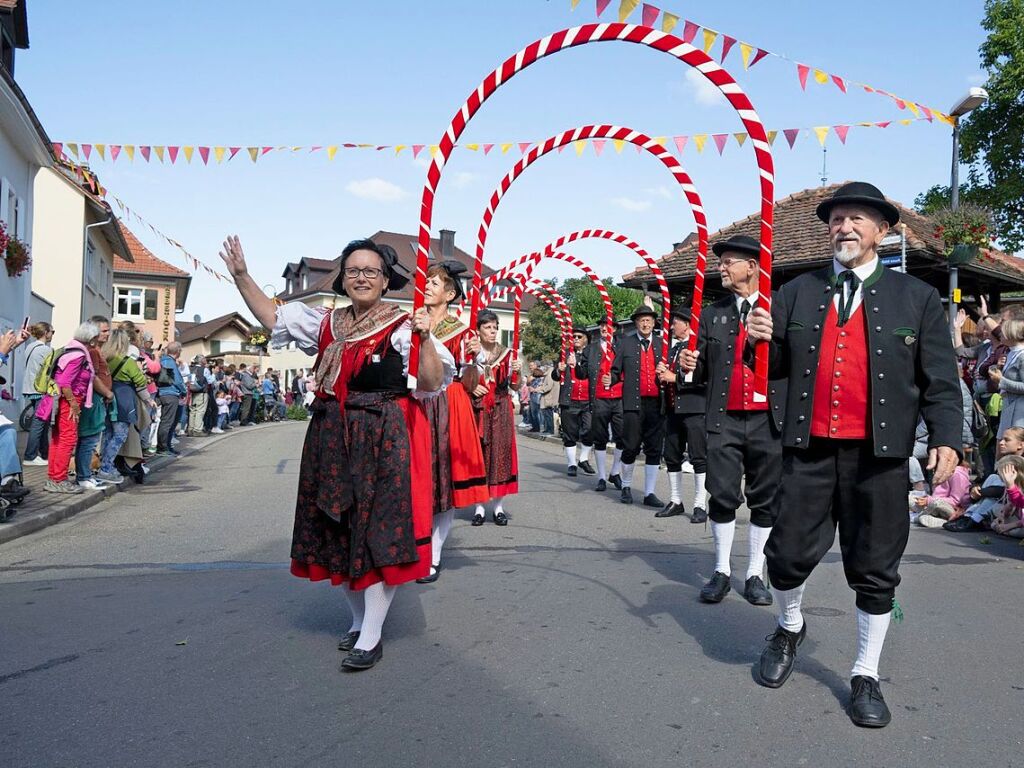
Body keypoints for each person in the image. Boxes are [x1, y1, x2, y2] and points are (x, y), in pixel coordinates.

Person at [744, 181, 962, 728]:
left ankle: (865, 671)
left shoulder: (917, 298)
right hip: (808, 449)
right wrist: (756, 339)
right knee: (786, 556)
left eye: (857, 219)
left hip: (879, 457)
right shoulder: (795, 291)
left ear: (882, 231)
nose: (844, 227)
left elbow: (940, 380)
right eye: (837, 218)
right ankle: (790, 625)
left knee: (875, 566)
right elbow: (771, 372)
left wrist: (946, 439)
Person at [220, 234, 453, 671]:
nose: (361, 277)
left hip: (383, 437)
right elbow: (273, 317)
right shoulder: (326, 324)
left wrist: (425, 337)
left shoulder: (405, 327)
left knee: (378, 533)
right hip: (330, 435)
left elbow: (429, 383)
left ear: (386, 281)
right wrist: (242, 277)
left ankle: (371, 634)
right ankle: (360, 619)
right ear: (343, 281)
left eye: (370, 271)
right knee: (338, 529)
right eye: (353, 271)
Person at [679, 234, 785, 607]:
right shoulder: (713, 313)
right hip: (723, 416)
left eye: (728, 262)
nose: (721, 268)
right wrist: (688, 365)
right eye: (720, 262)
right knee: (721, 494)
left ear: (752, 267)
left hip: (767, 419)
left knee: (765, 498)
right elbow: (703, 369)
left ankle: (755, 571)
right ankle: (722, 569)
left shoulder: (779, 307)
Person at [415, 260, 489, 583]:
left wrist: (476, 357)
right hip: (416, 403)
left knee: (443, 482)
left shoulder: (461, 331)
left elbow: (472, 381)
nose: (428, 286)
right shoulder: (412, 322)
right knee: (417, 478)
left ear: (449, 293)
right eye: (427, 281)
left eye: (435, 283)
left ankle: (434, 554)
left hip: (448, 405)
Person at [607, 305, 667, 507]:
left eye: (649, 320)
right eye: (642, 320)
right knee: (631, 446)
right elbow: (616, 370)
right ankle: (625, 486)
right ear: (636, 323)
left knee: (654, 449)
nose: (645, 323)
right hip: (633, 403)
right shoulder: (626, 344)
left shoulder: (661, 344)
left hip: (657, 403)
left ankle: (649, 493)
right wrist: (611, 378)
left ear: (654, 323)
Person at [34, 322, 101, 494]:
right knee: (67, 439)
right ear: (91, 339)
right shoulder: (79, 355)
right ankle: (59, 479)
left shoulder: (70, 350)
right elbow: (64, 382)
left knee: (58, 439)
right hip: (68, 401)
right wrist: (73, 404)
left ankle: (54, 477)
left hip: (61, 400)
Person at [655, 308, 708, 522]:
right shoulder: (672, 349)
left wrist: (673, 377)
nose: (671, 326)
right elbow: (666, 378)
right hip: (672, 409)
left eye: (675, 322)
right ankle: (676, 500)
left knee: (698, 457)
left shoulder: (699, 347)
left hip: (695, 409)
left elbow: (702, 379)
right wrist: (661, 374)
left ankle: (699, 504)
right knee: (671, 455)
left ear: (686, 324)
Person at [471, 309, 520, 526]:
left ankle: (498, 508)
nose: (493, 332)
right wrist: (471, 387)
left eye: (495, 328)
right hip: (477, 408)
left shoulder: (508, 354)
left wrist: (518, 372)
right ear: (478, 330)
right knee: (479, 456)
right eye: (488, 327)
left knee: (500, 456)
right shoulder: (471, 353)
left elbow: (515, 386)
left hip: (501, 408)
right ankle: (479, 508)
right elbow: (459, 379)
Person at [98, 329, 153, 484]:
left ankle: (104, 465)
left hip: (106, 396)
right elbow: (140, 382)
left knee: (107, 434)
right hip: (123, 400)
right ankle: (106, 468)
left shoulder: (104, 359)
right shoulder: (128, 361)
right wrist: (149, 400)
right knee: (120, 435)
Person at [586, 317, 625, 491]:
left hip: (619, 397)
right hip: (600, 397)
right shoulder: (591, 349)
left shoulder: (622, 345)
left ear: (615, 329)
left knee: (622, 436)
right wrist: (572, 365)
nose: (604, 328)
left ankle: (615, 472)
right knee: (600, 437)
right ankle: (601, 476)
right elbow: (582, 372)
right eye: (602, 325)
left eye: (608, 326)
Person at [553, 327, 596, 477]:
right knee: (570, 433)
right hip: (569, 399)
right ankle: (572, 463)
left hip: (588, 399)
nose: (576, 339)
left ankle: (583, 459)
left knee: (590, 429)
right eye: (573, 336)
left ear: (586, 339)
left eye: (579, 336)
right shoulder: (564, 354)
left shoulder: (592, 354)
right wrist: (559, 370)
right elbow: (555, 376)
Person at [21, 321, 54, 466]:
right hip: (41, 390)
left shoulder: (30, 347)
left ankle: (45, 453)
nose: (52, 334)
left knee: (43, 422)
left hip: (30, 388)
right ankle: (30, 456)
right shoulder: (46, 350)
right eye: (52, 331)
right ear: (46, 332)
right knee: (39, 423)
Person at [990, 314, 1024, 438]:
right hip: (1007, 407)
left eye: (1003, 332)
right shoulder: (1009, 353)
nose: (1000, 335)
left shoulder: (1022, 356)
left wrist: (1001, 380)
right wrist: (997, 369)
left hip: (1019, 412)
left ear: (1012, 333)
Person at [156, 342, 187, 455]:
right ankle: (163, 447)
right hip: (171, 394)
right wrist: (184, 391)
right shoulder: (171, 363)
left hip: (162, 393)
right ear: (177, 351)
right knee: (168, 422)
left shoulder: (162, 360)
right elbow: (177, 380)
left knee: (166, 421)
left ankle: (166, 446)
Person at [538, 363, 558, 435]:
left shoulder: (550, 373)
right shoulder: (549, 373)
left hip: (549, 397)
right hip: (548, 396)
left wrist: (540, 389)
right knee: (547, 413)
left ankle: (549, 429)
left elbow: (549, 386)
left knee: (548, 414)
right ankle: (547, 429)